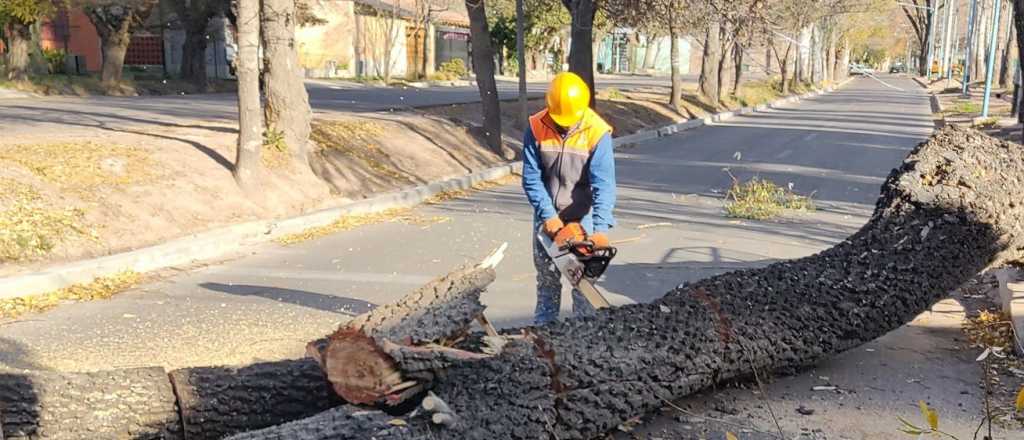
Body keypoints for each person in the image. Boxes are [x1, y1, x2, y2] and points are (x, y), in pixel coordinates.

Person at [521, 72, 616, 325]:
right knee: (547, 278)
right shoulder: (536, 127)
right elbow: (531, 178)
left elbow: (603, 185)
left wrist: (601, 228)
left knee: (584, 284)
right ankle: (545, 333)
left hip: (582, 215)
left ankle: (582, 334)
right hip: (547, 214)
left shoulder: (597, 132)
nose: (564, 124)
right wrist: (549, 216)